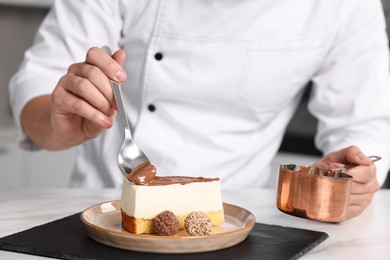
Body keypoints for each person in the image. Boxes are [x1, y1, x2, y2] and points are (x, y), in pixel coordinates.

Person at [9, 0, 390, 220]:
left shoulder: (346, 6)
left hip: (238, 219)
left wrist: (355, 173)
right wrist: (58, 125)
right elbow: (40, 81)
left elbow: (363, 123)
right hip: (105, 210)